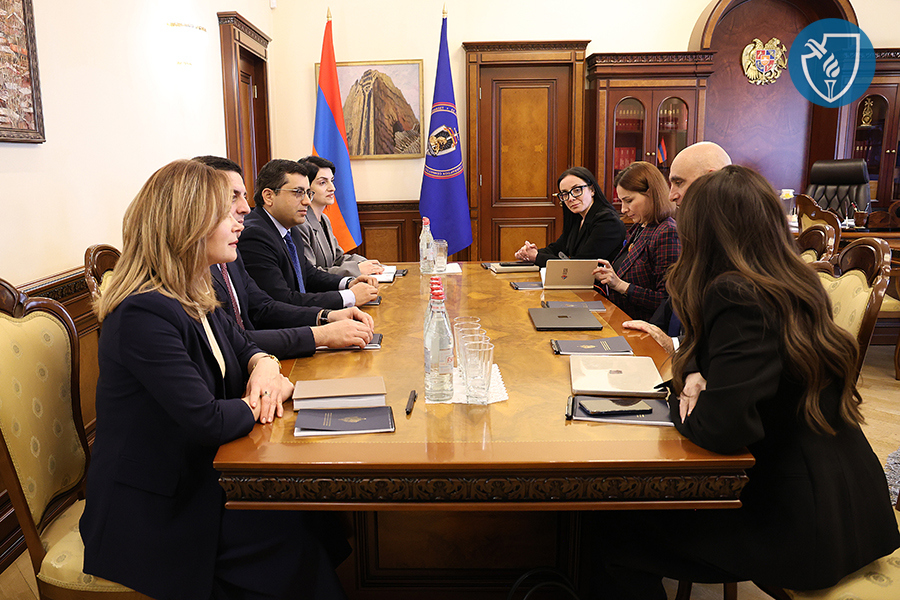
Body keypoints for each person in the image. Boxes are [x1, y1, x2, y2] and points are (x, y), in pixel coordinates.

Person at [588, 166, 900, 599]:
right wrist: (693, 375)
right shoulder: (793, 283)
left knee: (606, 533)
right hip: (851, 504)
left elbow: (722, 429)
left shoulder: (735, 293)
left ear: (705, 232)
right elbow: (701, 355)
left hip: (800, 524)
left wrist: (681, 399)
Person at [80, 160, 348, 599]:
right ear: (187, 225)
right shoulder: (143, 312)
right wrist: (266, 395)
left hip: (201, 474)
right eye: (226, 211)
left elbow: (242, 346)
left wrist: (265, 365)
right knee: (290, 534)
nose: (241, 216)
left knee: (314, 514)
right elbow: (206, 420)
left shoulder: (194, 288)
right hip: (155, 508)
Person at [193, 155, 374, 357]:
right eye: (232, 197)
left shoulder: (286, 230)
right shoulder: (250, 237)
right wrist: (322, 332)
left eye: (244, 196)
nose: (245, 207)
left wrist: (326, 316)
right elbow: (234, 337)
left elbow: (264, 305)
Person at [622, 141, 732, 352]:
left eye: (679, 183)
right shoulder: (697, 232)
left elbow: (728, 339)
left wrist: (673, 344)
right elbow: (673, 301)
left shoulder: (731, 242)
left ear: (711, 179)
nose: (671, 195)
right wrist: (650, 331)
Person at [239, 159, 379, 308]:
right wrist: (349, 297)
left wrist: (348, 283)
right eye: (298, 192)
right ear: (269, 196)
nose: (307, 201)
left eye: (308, 193)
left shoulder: (289, 227)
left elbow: (309, 274)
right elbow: (283, 301)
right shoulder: (255, 236)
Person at [592, 161, 679, 321]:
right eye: (621, 201)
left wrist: (620, 285)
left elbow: (666, 302)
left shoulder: (667, 232)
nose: (623, 209)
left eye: (629, 201)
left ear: (651, 194)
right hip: (619, 317)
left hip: (642, 327)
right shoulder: (640, 227)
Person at [514, 166, 625, 267]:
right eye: (565, 194)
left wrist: (537, 257)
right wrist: (529, 253)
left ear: (592, 190)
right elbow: (557, 248)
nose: (571, 198)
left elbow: (580, 265)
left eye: (577, 190)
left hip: (598, 282)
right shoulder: (578, 218)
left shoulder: (608, 222)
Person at [298, 155, 384, 277]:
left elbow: (337, 259)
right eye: (323, 183)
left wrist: (365, 263)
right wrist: (357, 269)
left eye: (332, 181)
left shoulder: (324, 219)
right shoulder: (300, 224)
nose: (332, 188)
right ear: (306, 187)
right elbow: (311, 275)